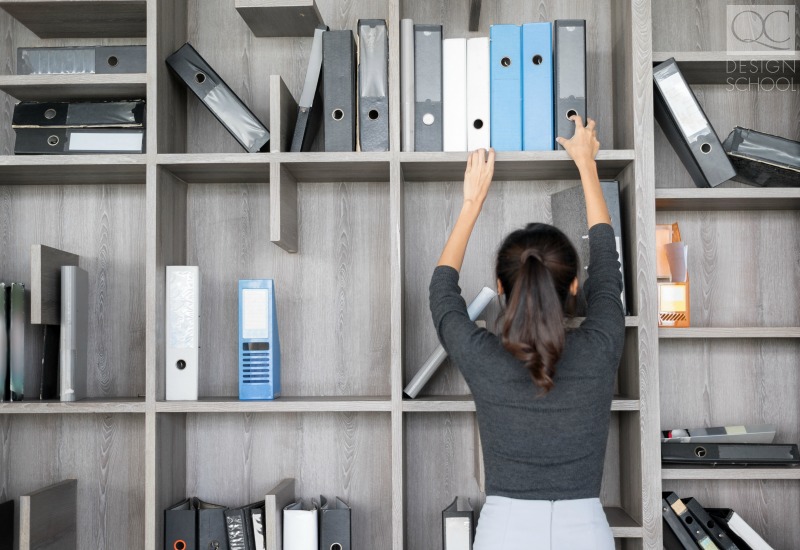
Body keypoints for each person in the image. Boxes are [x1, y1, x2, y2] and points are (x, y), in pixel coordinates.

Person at [429, 115, 624, 549]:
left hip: (505, 533)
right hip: (587, 533)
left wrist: (471, 203)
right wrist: (586, 164)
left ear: (500, 289)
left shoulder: (485, 358)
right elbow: (609, 272)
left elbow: (442, 295)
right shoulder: (601, 346)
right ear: (575, 286)